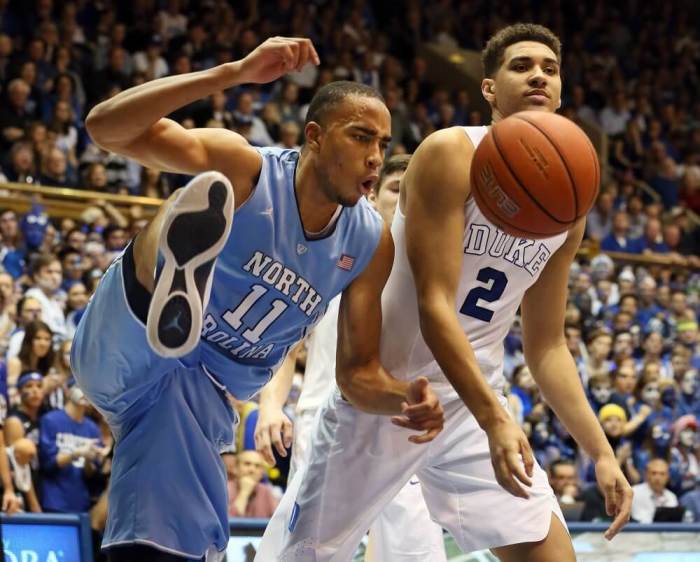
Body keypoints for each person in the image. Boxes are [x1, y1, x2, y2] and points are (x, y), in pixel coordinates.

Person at [258, 23, 633, 562]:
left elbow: (547, 345)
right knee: (302, 556)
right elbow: (436, 306)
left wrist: (599, 452)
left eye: (549, 69)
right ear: (488, 88)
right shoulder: (451, 152)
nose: (538, 76)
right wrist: (497, 419)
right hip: (388, 394)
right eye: (521, 66)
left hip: (471, 403)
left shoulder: (568, 203)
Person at [72, 37, 443, 562]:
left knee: (175, 542)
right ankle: (174, 267)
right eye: (361, 137)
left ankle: (183, 271)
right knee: (198, 191)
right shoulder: (246, 167)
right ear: (314, 136)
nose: (375, 158)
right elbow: (104, 128)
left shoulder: (367, 241)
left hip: (200, 392)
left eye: (382, 143)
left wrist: (406, 398)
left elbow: (358, 374)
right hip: (131, 335)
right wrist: (230, 72)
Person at [255, 154, 447, 561]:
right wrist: (271, 408)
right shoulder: (334, 260)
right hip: (325, 423)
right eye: (398, 189)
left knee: (415, 552)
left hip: (400, 428)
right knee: (303, 552)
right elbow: (286, 349)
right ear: (373, 196)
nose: (408, 199)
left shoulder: (435, 278)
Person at [630, 458, 679, 523]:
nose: (658, 477)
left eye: (662, 474)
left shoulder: (671, 496)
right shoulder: (634, 492)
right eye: (654, 473)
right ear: (646, 474)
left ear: (668, 476)